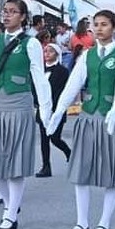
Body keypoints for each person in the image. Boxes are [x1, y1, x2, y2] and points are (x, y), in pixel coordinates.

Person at [47, 10, 115, 229]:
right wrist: (59, 110)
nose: (99, 28)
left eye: (104, 24)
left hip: (109, 118)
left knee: (110, 171)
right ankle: (81, 222)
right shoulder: (87, 55)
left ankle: (104, 223)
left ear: (114, 27)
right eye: (96, 25)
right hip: (88, 115)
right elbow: (74, 84)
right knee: (81, 170)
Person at [0, 0, 52, 229]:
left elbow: (39, 77)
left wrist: (46, 109)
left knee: (15, 161)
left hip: (19, 102)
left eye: (12, 12)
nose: (7, 15)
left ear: (23, 17)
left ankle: (10, 214)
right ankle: (11, 205)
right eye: (4, 11)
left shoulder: (30, 44)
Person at [35, 43, 71, 178]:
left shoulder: (62, 71)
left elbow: (62, 91)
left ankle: (69, 153)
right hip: (42, 107)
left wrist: (54, 107)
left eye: (50, 51)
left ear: (56, 53)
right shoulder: (40, 69)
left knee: (55, 138)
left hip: (56, 108)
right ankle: (46, 166)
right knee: (44, 138)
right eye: (45, 51)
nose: (47, 54)